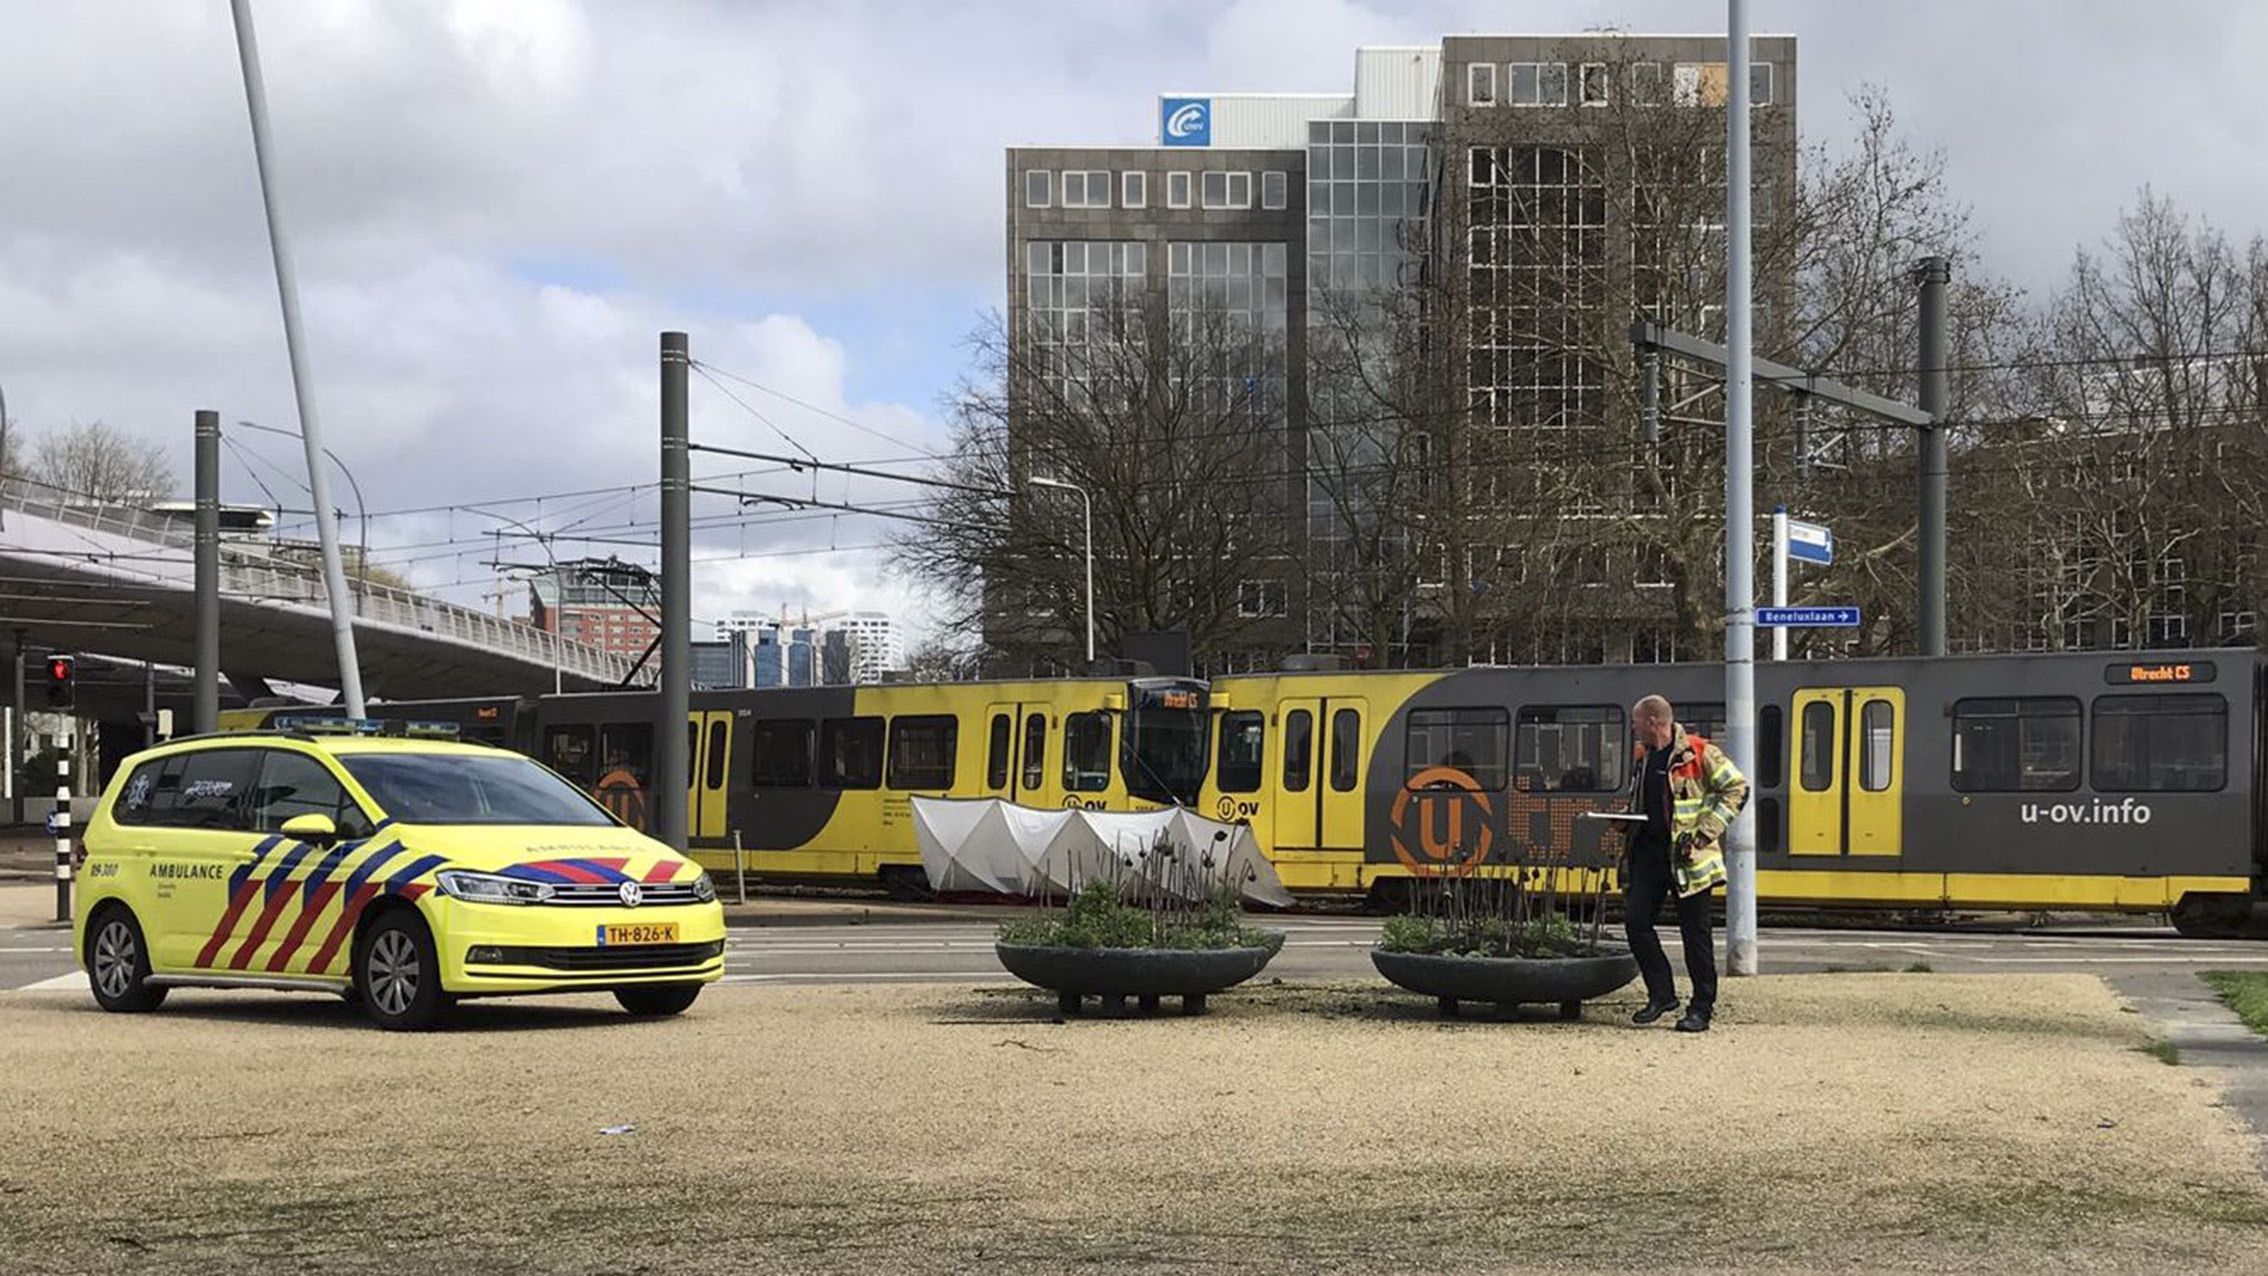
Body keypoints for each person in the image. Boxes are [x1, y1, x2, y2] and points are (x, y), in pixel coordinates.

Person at [1622, 694, 1749, 1033]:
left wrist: (1705, 833)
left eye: (1636, 722)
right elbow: (1646, 802)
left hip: (1689, 859)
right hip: (1649, 856)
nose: (1634, 728)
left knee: (1696, 935)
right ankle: (1662, 994)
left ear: (1653, 721)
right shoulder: (1643, 756)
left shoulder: (1699, 752)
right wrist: (1624, 819)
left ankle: (1701, 1008)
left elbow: (1737, 788)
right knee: (1636, 923)